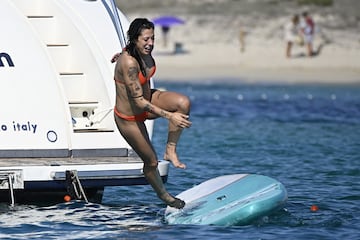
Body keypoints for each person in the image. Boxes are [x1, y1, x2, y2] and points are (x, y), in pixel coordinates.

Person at [111, 18, 192, 209]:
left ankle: (170, 150)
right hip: (129, 118)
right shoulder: (129, 64)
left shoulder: (136, 50)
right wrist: (170, 116)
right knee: (151, 161)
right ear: (135, 39)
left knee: (183, 103)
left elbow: (129, 49)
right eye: (146, 39)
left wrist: (121, 52)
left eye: (153, 39)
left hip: (149, 100)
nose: (151, 44)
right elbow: (138, 101)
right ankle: (165, 197)